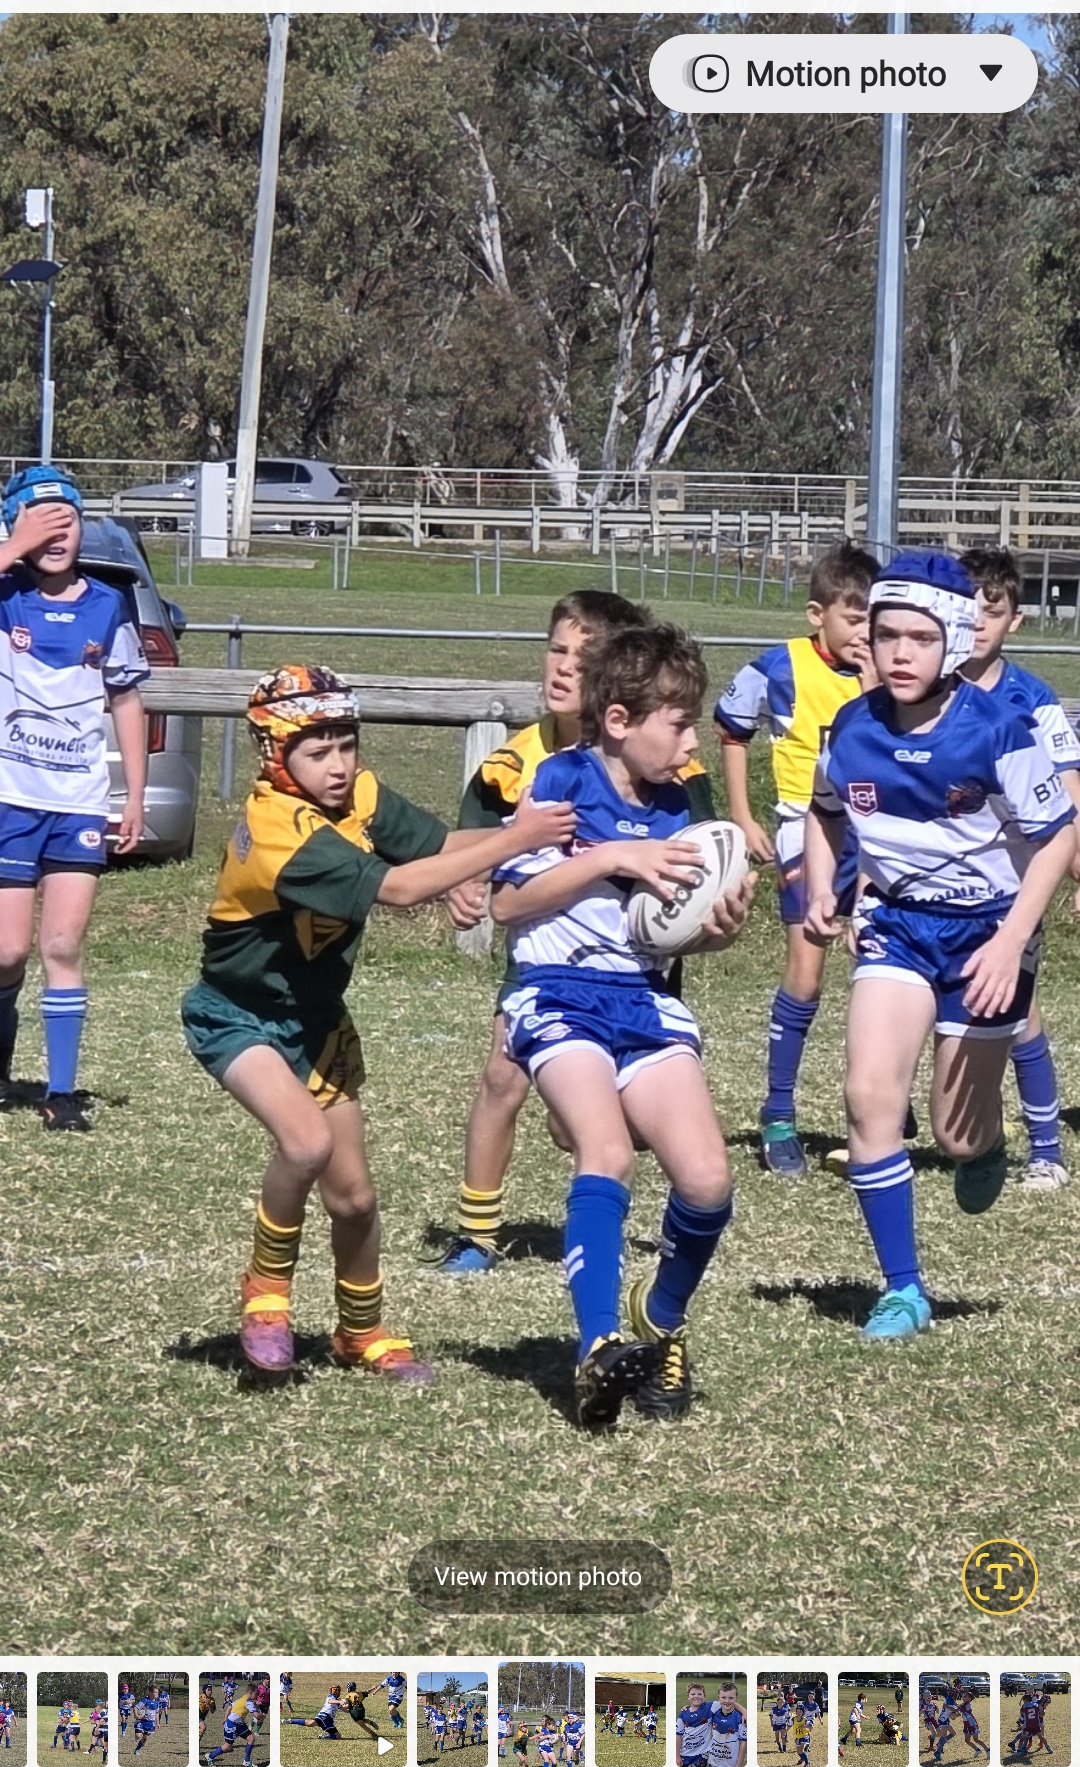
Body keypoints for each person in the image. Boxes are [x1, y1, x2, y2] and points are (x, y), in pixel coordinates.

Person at [181, 663, 575, 1375]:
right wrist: (515, 840)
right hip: (239, 1016)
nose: (338, 765)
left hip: (318, 1024)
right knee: (304, 1144)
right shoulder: (276, 829)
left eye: (347, 744)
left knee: (355, 1199)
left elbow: (436, 849)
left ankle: (359, 1333)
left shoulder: (358, 793)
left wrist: (492, 857)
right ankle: (266, 1293)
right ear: (276, 756)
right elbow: (397, 888)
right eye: (318, 751)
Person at [804, 552, 1076, 1341]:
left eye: (920, 638)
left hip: (989, 934)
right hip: (896, 925)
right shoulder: (851, 727)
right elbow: (825, 812)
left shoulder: (998, 729)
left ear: (953, 640)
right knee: (869, 1096)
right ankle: (904, 1289)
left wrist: (1012, 941)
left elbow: (1057, 836)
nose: (899, 653)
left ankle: (982, 1146)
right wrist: (824, 884)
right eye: (887, 635)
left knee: (957, 1132)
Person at [492, 622, 753, 1426]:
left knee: (708, 1182)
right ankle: (598, 1346)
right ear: (618, 720)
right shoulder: (560, 782)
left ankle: (659, 1319)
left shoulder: (678, 806)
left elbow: (669, 932)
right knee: (605, 1151)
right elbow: (508, 903)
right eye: (677, 724)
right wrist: (609, 858)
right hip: (558, 995)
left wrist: (718, 929)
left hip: (642, 1000)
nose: (690, 742)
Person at [439, 589, 715, 1272]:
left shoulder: (673, 770)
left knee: (588, 1124)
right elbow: (478, 842)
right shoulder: (521, 762)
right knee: (502, 1075)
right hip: (545, 952)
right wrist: (464, 878)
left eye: (582, 657)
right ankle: (477, 1233)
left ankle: (595, 1164)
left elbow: (703, 859)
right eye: (555, 650)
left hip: (634, 967)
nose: (564, 667)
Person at [714, 540, 877, 1177]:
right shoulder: (779, 665)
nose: (864, 633)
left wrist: (875, 684)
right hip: (804, 832)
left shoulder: (889, 672)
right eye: (853, 619)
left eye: (872, 620)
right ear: (818, 614)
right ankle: (778, 1113)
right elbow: (731, 728)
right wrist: (743, 814)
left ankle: (875, 1105)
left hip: (877, 837)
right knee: (807, 973)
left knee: (880, 972)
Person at [0, 465, 149, 1131]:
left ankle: (61, 1095)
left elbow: (126, 699)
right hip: (9, 797)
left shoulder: (107, 606)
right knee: (6, 953)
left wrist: (132, 795)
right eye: (42, 522)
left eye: (68, 521)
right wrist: (13, 543)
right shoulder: (6, 595)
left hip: (78, 802)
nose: (57, 535)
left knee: (61, 944)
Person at [960, 544, 1080, 1187]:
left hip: (1014, 881)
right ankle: (903, 1129)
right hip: (935, 883)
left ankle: (1045, 1149)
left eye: (993, 610)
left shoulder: (1033, 698)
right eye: (968, 610)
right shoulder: (923, 691)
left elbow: (1069, 788)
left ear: (1016, 619)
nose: (978, 622)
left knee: (1018, 1012)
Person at [708, 1679, 747, 1767]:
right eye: (724, 1697)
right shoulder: (714, 1713)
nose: (727, 1701)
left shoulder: (740, 1718)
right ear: (719, 1698)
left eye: (731, 1698)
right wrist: (686, 1708)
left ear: (736, 1698)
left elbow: (743, 1743)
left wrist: (739, 1765)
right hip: (713, 1763)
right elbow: (698, 1708)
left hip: (730, 1765)